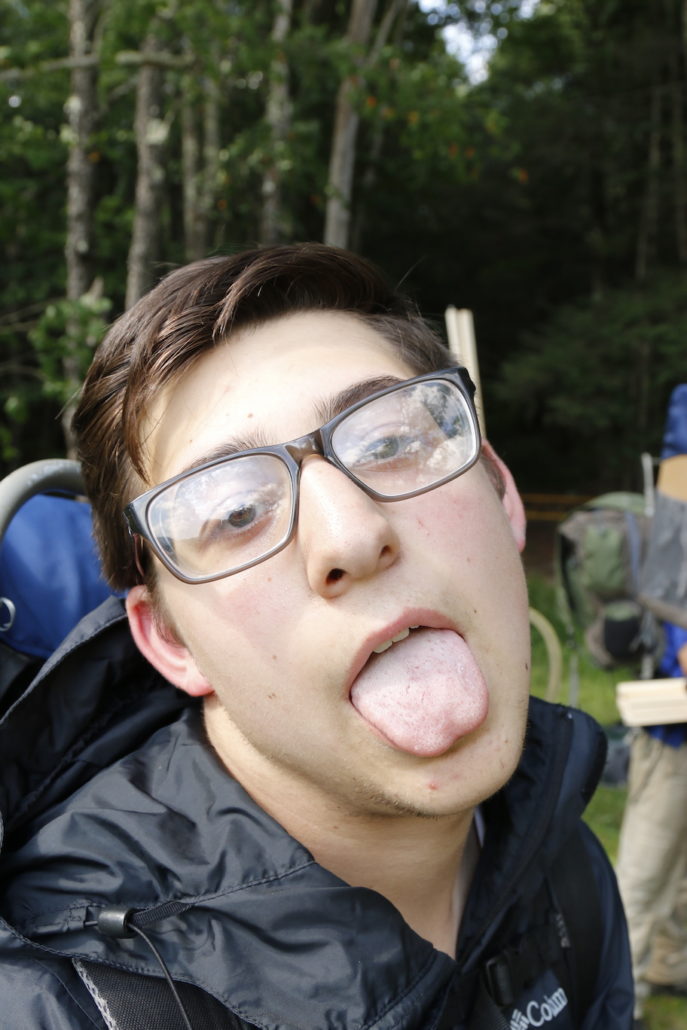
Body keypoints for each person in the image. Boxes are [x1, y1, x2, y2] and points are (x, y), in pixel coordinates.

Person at [0, 243, 632, 1028]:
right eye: (235, 512)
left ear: (501, 494)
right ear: (171, 641)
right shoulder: (60, 1006)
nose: (351, 535)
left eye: (390, 442)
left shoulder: (560, 866)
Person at [616, 621, 687, 1028]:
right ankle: (622, 1002)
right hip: (671, 742)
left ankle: (669, 964)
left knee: (680, 872)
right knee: (643, 877)